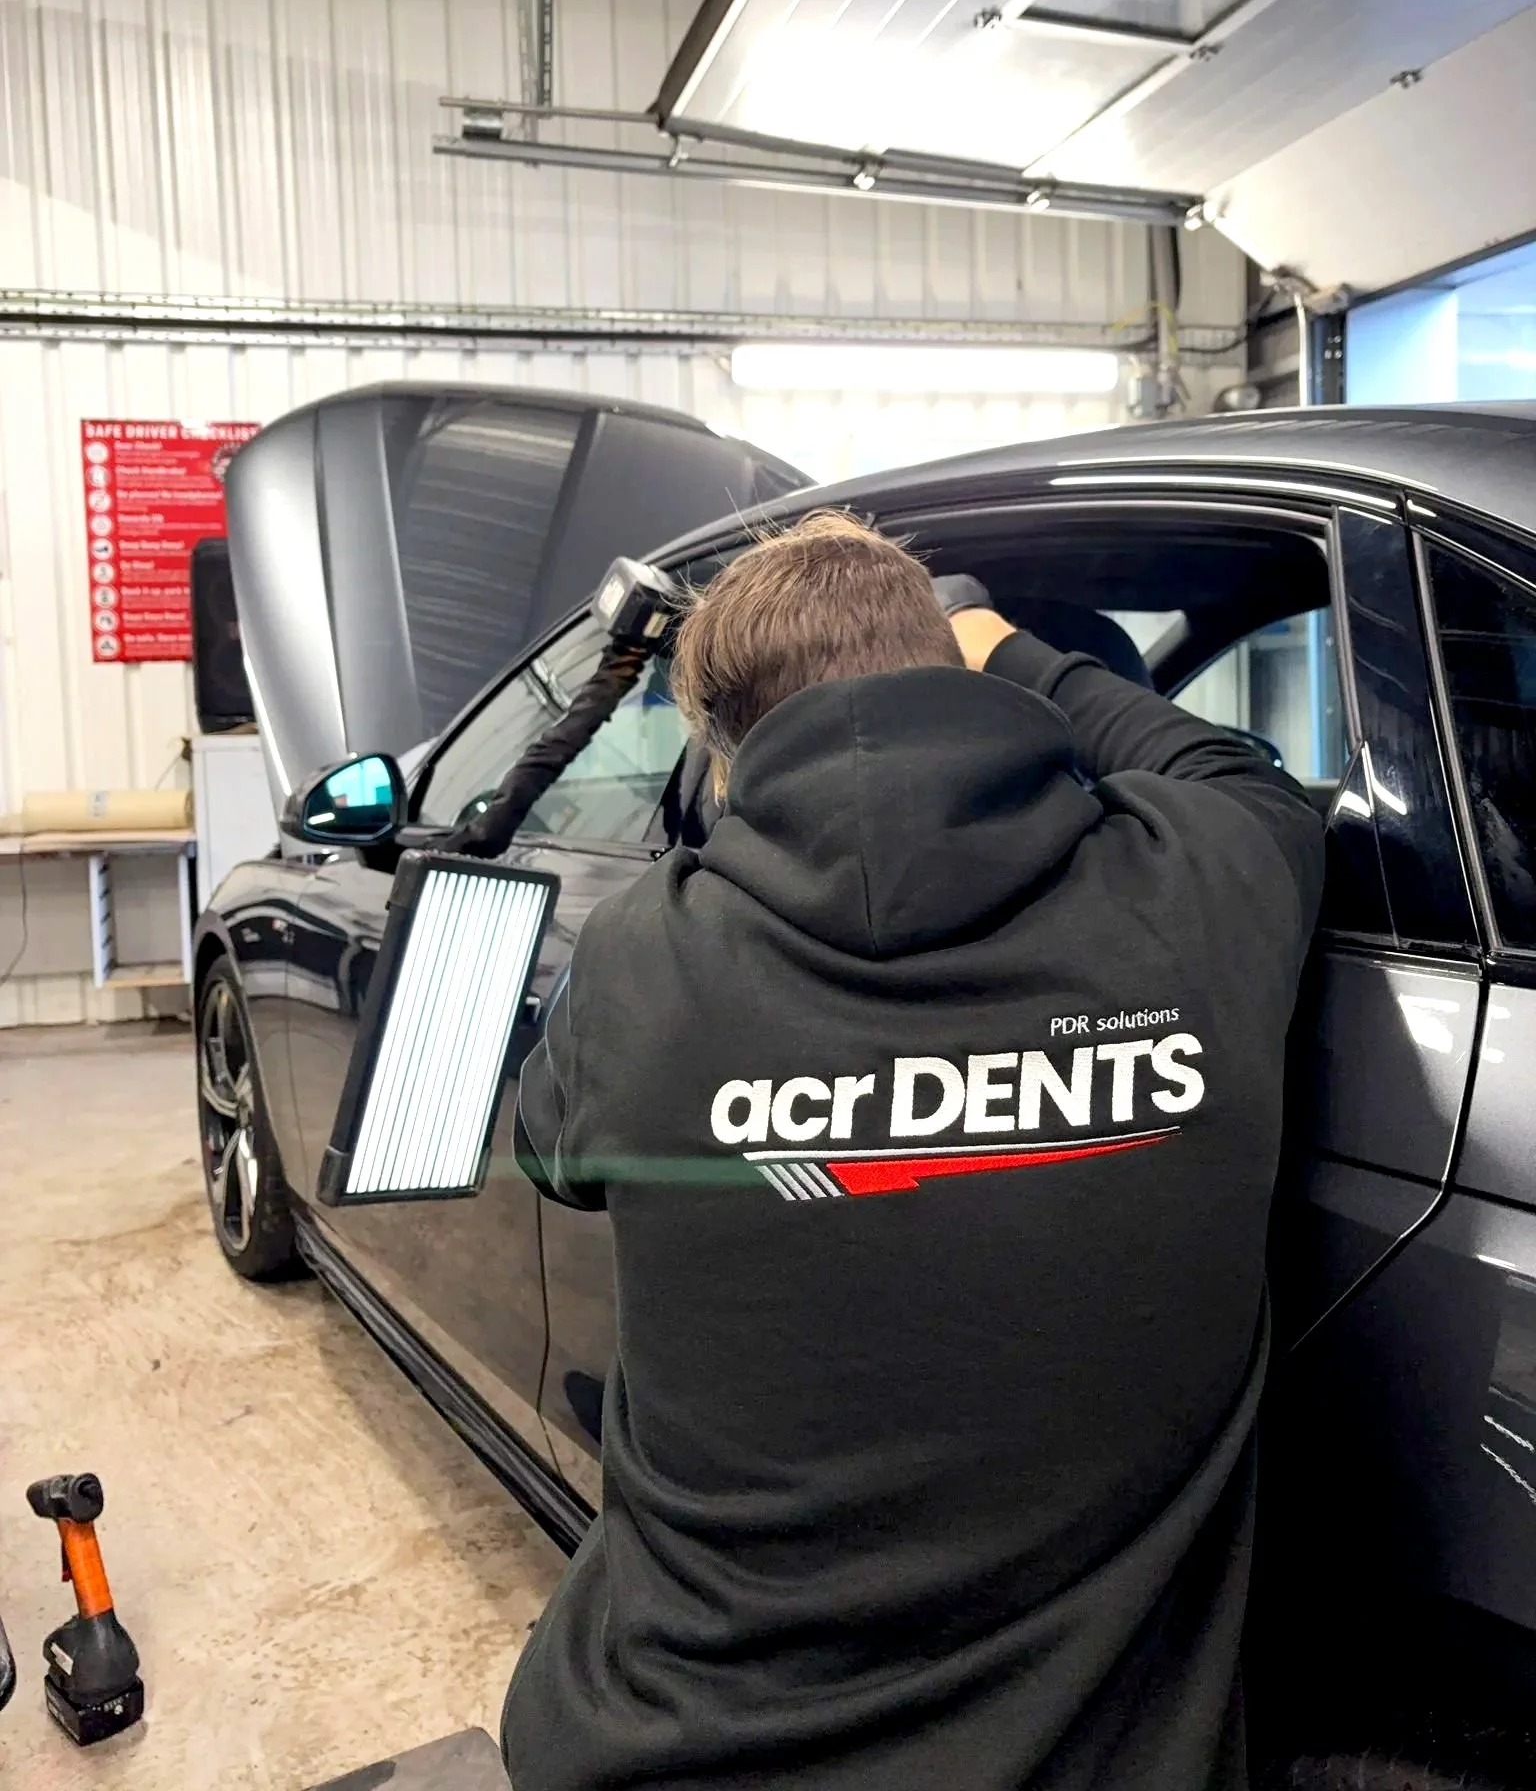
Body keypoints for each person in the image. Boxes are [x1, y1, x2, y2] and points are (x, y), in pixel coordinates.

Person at [503, 509, 1324, 1791]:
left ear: (724, 761)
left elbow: (553, 1153)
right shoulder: (1200, 888)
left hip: (672, 1753)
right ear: (959, 666)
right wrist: (1014, 651)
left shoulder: (641, 957)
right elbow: (1240, 773)